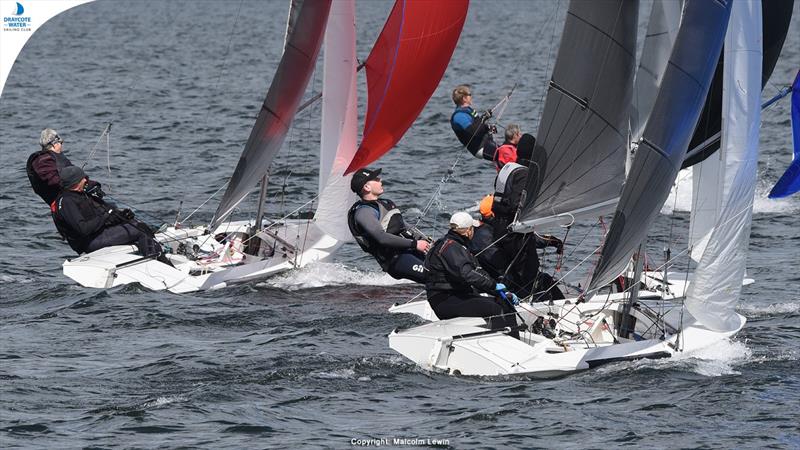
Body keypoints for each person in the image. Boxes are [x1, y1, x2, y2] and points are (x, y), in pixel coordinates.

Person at [425, 211, 520, 337]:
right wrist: (493, 285)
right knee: (495, 309)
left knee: (505, 302)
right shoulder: (451, 247)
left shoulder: (459, 245)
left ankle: (513, 340)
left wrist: (500, 291)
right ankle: (501, 343)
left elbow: (478, 273)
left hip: (457, 295)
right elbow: (468, 274)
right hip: (444, 300)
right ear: (469, 231)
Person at [51, 166, 163, 259]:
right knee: (140, 229)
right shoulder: (66, 201)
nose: (85, 180)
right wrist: (105, 215)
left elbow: (100, 218)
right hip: (88, 242)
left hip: (99, 234)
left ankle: (155, 254)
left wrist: (120, 216)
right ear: (74, 182)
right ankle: (156, 260)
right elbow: (83, 229)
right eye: (82, 178)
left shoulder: (81, 195)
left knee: (136, 224)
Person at [347, 167, 431, 283]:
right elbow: (382, 238)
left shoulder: (384, 204)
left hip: (410, 251)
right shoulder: (364, 212)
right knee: (435, 277)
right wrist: (415, 244)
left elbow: (404, 226)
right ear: (367, 187)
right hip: (397, 260)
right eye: (376, 179)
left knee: (446, 269)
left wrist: (426, 242)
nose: (380, 180)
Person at [27, 128, 103, 206]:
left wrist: (90, 185)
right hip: (63, 202)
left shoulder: (58, 157)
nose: (62, 146)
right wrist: (78, 185)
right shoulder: (42, 160)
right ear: (54, 144)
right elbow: (54, 181)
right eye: (61, 143)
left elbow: (74, 174)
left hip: (72, 196)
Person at [450, 85, 497, 161]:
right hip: (480, 147)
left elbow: (478, 125)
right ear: (464, 98)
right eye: (470, 95)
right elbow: (473, 131)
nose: (471, 97)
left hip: (486, 142)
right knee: (507, 155)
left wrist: (488, 128)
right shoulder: (459, 116)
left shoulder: (468, 110)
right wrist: (483, 118)